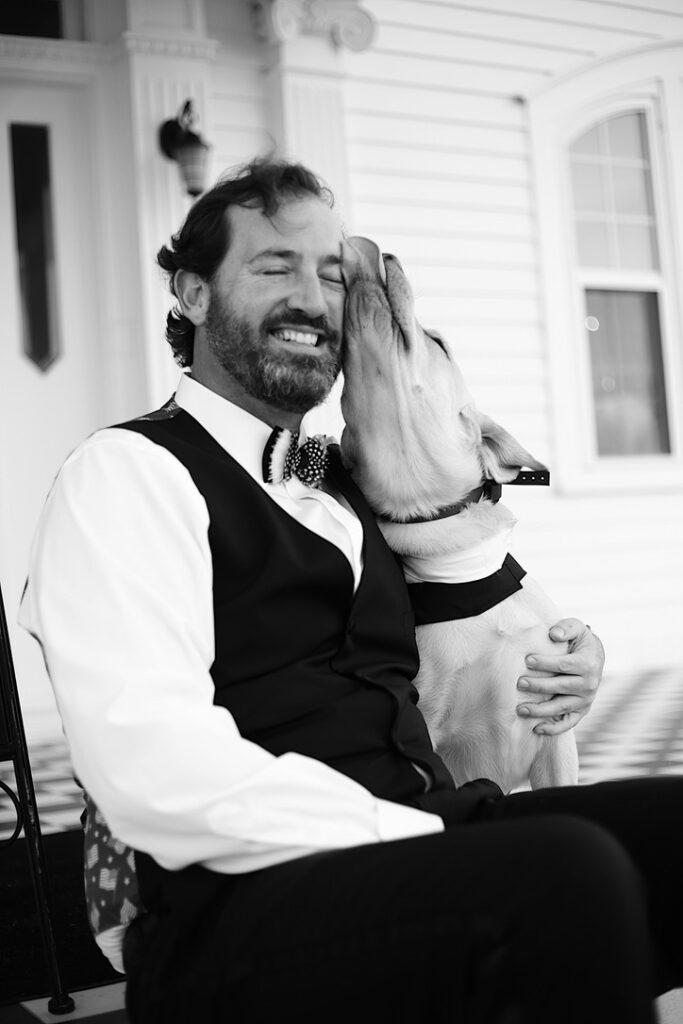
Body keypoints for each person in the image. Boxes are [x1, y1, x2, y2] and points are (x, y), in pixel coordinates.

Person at [19, 157, 681, 1024]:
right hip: (240, 906)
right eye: (273, 267)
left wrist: (570, 655)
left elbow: (467, 589)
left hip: (426, 841)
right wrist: (422, 832)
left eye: (331, 275)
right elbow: (151, 767)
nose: (311, 297)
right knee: (569, 869)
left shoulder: (346, 476)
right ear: (191, 293)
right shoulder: (126, 474)